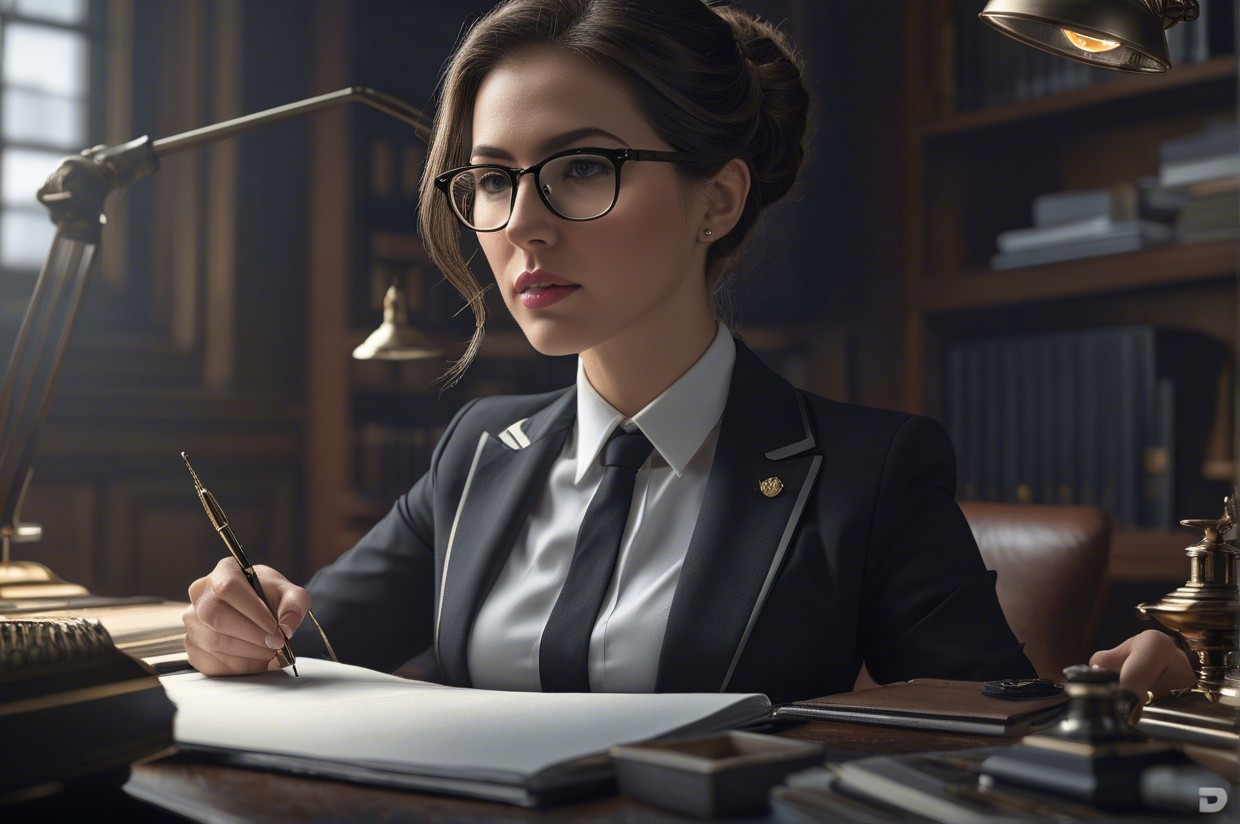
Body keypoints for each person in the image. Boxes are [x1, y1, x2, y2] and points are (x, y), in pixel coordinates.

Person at [183, 0, 1194, 705]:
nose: (522, 223)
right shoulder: (476, 449)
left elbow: (995, 722)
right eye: (491, 180)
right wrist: (239, 622)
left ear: (717, 199)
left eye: (582, 167)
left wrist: (1135, 687)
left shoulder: (869, 472)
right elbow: (303, 644)